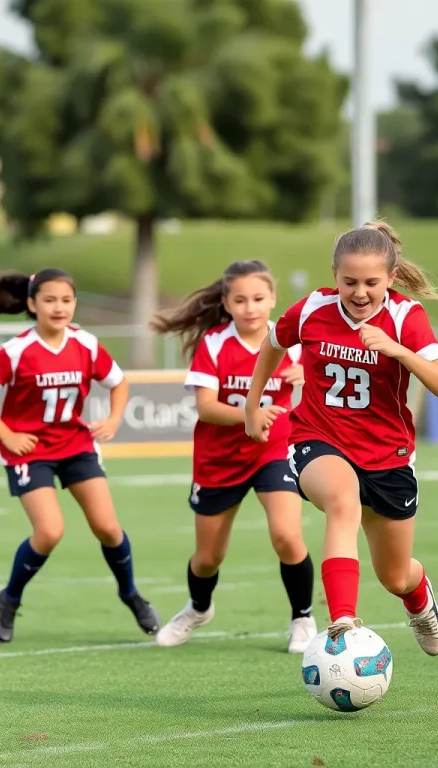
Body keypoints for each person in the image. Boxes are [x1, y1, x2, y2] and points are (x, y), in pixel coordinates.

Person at [244, 221, 438, 655]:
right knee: (342, 501)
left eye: (371, 283)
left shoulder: (405, 317)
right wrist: (253, 405)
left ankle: (420, 600)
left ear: (391, 279)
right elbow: (272, 343)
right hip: (317, 436)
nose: (360, 292)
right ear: (333, 276)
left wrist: (397, 350)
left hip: (388, 456)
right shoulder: (311, 309)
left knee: (395, 576)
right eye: (349, 282)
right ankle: (342, 623)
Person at [0, 268, 160, 643]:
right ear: (31, 304)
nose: (59, 308)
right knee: (50, 531)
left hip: (75, 444)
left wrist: (114, 418)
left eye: (66, 300)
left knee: (107, 527)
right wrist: (5, 433)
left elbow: (119, 382)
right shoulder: (17, 349)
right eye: (49, 300)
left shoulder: (85, 343)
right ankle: (8, 599)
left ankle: (131, 594)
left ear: (75, 303)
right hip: (30, 450)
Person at [149, 260, 318, 653]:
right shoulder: (214, 344)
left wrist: (308, 378)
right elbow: (206, 407)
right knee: (208, 558)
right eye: (240, 300)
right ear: (226, 303)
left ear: (273, 299)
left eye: (259, 298)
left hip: (273, 451)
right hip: (218, 459)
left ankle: (303, 617)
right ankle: (198, 608)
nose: (250, 307)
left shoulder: (292, 343)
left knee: (287, 535)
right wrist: (250, 413)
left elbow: (323, 395)